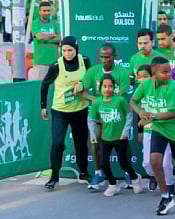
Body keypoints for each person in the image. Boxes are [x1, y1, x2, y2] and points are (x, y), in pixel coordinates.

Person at [130, 59, 175, 215]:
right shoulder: (145, 85)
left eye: (169, 71)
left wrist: (151, 117)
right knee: (154, 161)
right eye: (164, 72)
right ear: (154, 72)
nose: (169, 75)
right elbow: (133, 101)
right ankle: (165, 196)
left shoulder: (172, 86)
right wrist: (140, 112)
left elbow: (172, 113)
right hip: (158, 129)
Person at [39, 36, 92, 189]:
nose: (67, 54)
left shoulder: (84, 61)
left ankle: (84, 172)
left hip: (80, 110)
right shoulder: (56, 66)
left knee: (81, 143)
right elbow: (44, 84)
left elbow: (90, 78)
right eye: (64, 51)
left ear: (77, 49)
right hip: (60, 111)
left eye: (70, 50)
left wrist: (82, 83)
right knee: (57, 143)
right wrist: (43, 106)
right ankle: (54, 177)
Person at [81, 42, 133, 191]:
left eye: (108, 57)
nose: (104, 60)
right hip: (99, 114)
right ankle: (98, 173)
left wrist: (105, 103)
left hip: (116, 115)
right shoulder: (93, 71)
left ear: (114, 56)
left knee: (123, 142)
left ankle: (128, 173)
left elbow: (121, 95)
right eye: (102, 57)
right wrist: (96, 100)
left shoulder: (122, 72)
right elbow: (83, 92)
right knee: (95, 140)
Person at [88, 76, 142, 197]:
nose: (107, 89)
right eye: (105, 86)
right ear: (100, 88)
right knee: (103, 163)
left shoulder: (120, 100)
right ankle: (113, 184)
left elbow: (129, 115)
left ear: (114, 88)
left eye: (110, 86)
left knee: (123, 163)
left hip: (120, 138)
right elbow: (91, 119)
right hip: (106, 138)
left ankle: (134, 178)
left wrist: (125, 132)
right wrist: (93, 134)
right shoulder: (97, 102)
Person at [29, 1, 60, 81]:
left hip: (54, 60)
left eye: (48, 10)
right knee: (41, 84)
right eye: (44, 11)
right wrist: (53, 35)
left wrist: (45, 39)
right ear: (39, 11)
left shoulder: (55, 23)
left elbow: (59, 38)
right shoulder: (35, 23)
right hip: (41, 61)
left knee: (54, 85)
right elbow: (39, 37)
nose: (46, 13)